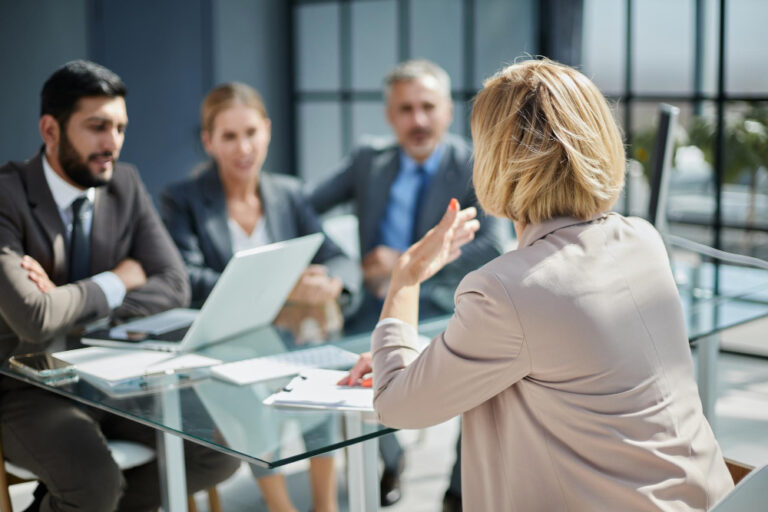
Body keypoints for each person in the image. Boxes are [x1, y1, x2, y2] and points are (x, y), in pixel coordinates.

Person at [343, 58, 735, 510]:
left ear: (494, 160)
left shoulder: (505, 290)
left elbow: (397, 406)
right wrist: (426, 357)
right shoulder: (642, 239)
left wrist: (406, 278)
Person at [0, 60, 239, 512]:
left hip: (112, 376)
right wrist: (117, 279)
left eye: (120, 127)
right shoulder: (6, 195)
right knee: (94, 483)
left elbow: (174, 284)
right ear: (50, 130)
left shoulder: (124, 184)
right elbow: (34, 319)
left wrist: (70, 299)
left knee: (219, 450)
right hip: (24, 390)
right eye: (97, 127)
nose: (113, 143)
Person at [310, 59, 508, 508]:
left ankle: (459, 490)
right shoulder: (368, 159)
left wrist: (411, 263)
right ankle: (389, 458)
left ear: (448, 112)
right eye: (405, 109)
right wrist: (349, 266)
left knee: (484, 377)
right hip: (373, 307)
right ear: (389, 115)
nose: (417, 120)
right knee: (342, 366)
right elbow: (302, 210)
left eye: (427, 107)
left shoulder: (473, 162)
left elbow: (494, 247)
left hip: (447, 306)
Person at [161, 82, 357, 512]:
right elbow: (188, 278)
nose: (243, 147)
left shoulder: (288, 193)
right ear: (208, 141)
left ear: (266, 131)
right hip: (222, 348)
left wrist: (334, 284)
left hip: (289, 340)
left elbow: (339, 258)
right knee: (247, 400)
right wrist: (284, 288)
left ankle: (325, 507)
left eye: (251, 132)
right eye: (229, 136)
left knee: (320, 385)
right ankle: (281, 508)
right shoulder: (183, 199)